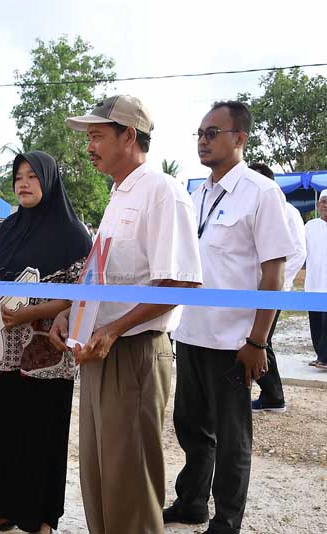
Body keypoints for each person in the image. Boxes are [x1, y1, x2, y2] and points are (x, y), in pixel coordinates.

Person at [54, 95, 202, 534]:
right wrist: (71, 313)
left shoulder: (162, 192)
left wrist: (116, 328)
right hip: (101, 350)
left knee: (130, 484)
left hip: (134, 353)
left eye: (97, 136)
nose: (89, 147)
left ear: (129, 136)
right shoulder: (120, 194)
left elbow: (180, 283)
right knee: (101, 478)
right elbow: (105, 274)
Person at [167, 101, 296, 534]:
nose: (203, 141)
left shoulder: (261, 193)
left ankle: (226, 521)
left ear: (239, 138)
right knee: (190, 427)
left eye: (212, 133)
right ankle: (191, 503)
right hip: (191, 333)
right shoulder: (197, 195)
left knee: (232, 437)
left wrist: (257, 342)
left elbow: (274, 272)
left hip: (233, 341)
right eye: (200, 134)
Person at [0, 151, 91, 534]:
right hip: (4, 346)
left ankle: (41, 518)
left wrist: (29, 313)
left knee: (42, 430)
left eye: (32, 176)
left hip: (45, 350)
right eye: (19, 176)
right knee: (5, 426)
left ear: (49, 181)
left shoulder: (73, 235)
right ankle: (4, 506)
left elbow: (78, 296)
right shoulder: (8, 229)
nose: (23, 183)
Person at [247, 162, 306, 412]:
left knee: (261, 341)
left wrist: (280, 284)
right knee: (252, 339)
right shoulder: (251, 207)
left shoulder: (286, 210)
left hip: (272, 290)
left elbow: (298, 252)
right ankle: (268, 393)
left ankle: (273, 396)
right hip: (252, 291)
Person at [305, 189, 327, 368]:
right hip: (313, 283)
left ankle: (325, 358)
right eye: (324, 201)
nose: (326, 205)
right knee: (316, 323)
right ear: (318, 205)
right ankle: (320, 356)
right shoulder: (310, 226)